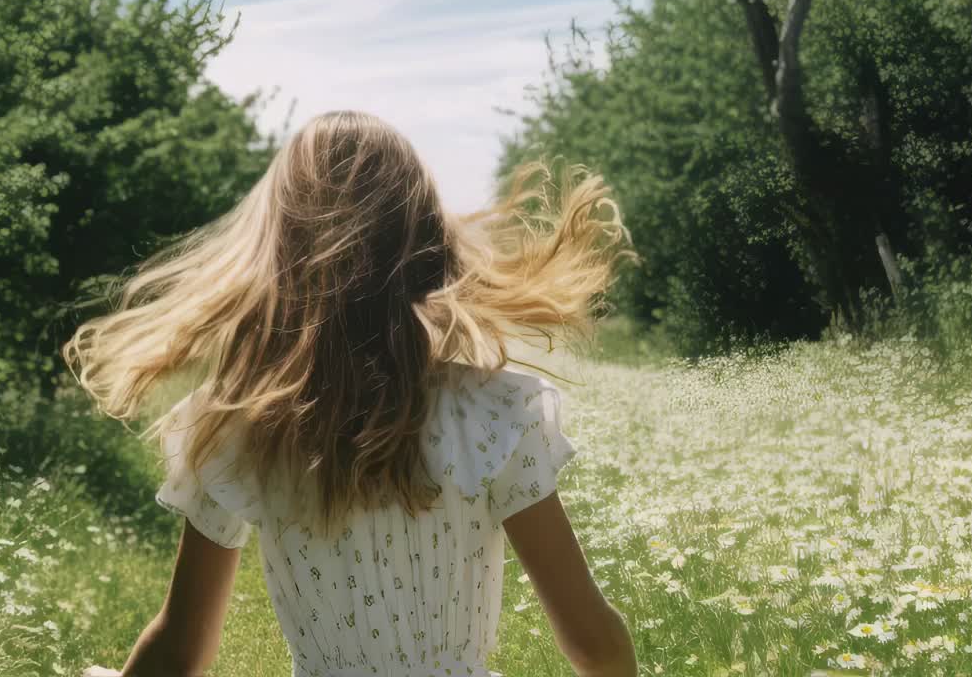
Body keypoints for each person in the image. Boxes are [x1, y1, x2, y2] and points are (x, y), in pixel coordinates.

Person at [65, 110, 636, 677]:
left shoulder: (239, 429)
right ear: (423, 239)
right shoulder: (493, 417)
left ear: (280, 251)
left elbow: (179, 650)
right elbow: (596, 645)